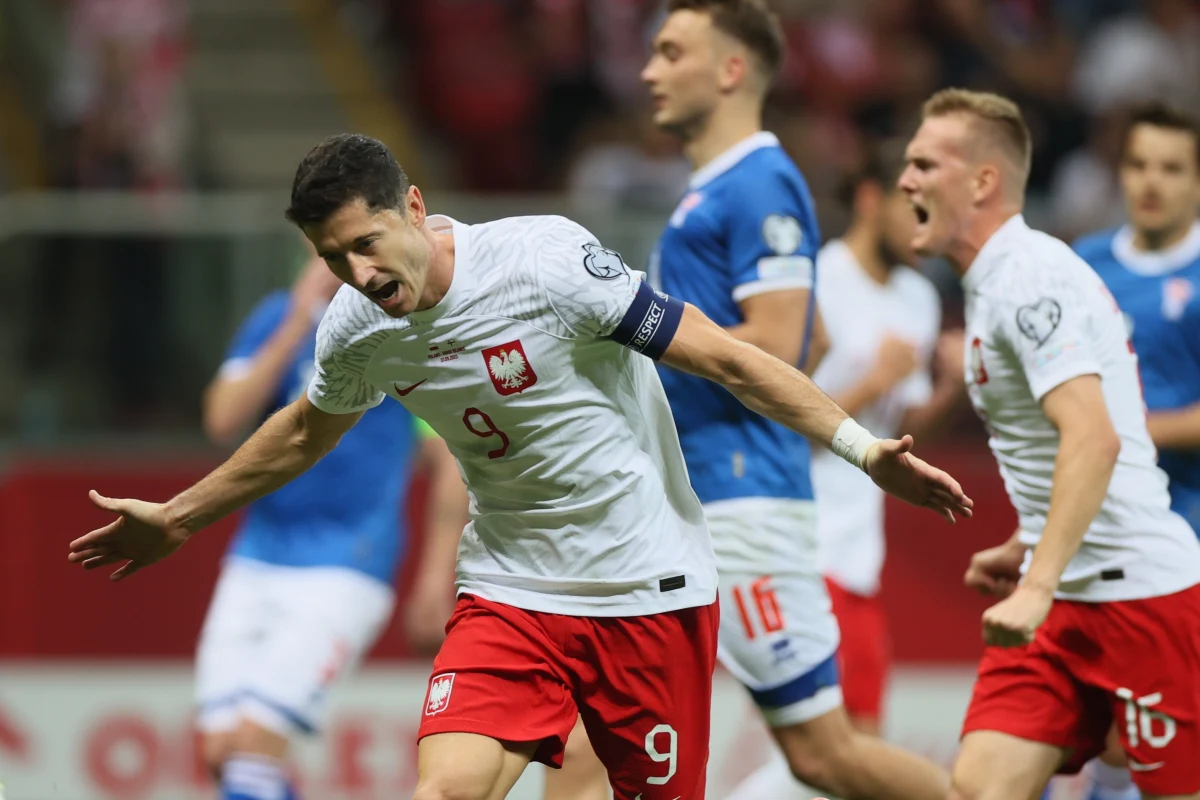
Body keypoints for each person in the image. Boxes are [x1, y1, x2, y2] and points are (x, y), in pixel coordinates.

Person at [68, 132, 972, 800]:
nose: (359, 270)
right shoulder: (355, 330)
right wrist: (180, 518)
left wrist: (859, 449)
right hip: (511, 595)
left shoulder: (545, 262)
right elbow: (305, 430)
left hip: (647, 591)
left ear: (414, 207)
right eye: (334, 257)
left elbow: (725, 356)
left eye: (368, 240)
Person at [551, 4, 963, 800]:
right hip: (687, 504)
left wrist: (636, 340)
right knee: (586, 749)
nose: (648, 71)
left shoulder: (761, 183)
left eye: (672, 52)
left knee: (826, 757)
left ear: (732, 70)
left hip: (743, 506)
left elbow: (776, 341)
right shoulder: (705, 193)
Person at [898, 87, 1200, 800]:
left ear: (982, 181)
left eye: (923, 164)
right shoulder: (998, 281)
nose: (904, 180)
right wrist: (1031, 544)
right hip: (1058, 597)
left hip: (1141, 596)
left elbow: (1093, 439)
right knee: (978, 789)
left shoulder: (1029, 279)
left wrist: (1035, 580)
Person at [193, 249, 467, 800]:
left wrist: (438, 578)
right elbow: (222, 417)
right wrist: (298, 318)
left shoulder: (397, 329)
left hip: (347, 562)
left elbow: (448, 461)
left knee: (253, 744)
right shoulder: (278, 315)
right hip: (256, 554)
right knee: (221, 753)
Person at [811, 148, 966, 737]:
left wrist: (950, 388)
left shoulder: (918, 299)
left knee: (855, 742)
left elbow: (904, 437)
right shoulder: (817, 282)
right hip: (802, 544)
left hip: (859, 553)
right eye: (913, 210)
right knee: (838, 746)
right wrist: (873, 380)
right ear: (871, 199)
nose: (923, 229)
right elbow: (779, 424)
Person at [1073, 102, 1200, 800]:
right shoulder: (1084, 266)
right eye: (1139, 164)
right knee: (1103, 729)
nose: (1152, 182)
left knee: (1154, 725)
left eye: (1172, 168)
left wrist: (1127, 429)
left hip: (1188, 524)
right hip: (1095, 525)